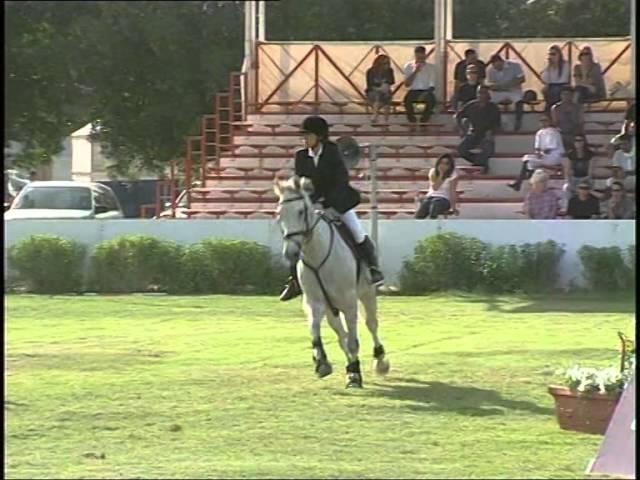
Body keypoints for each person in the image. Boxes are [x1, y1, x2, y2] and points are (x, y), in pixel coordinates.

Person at [279, 116, 384, 301]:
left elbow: (340, 182)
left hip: (338, 202)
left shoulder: (334, 152)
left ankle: (373, 269)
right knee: (295, 235)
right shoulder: (301, 156)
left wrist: (328, 204)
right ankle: (294, 281)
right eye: (303, 136)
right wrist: (311, 202)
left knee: (356, 231)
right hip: (312, 204)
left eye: (307, 135)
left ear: (319, 136)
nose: (304, 139)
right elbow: (301, 183)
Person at [508, 115, 564, 191]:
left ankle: (520, 182)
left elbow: (550, 148)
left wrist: (541, 154)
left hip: (553, 157)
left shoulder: (553, 132)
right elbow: (537, 147)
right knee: (527, 159)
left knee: (529, 162)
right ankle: (525, 183)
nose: (543, 123)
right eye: (541, 121)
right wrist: (538, 153)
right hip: (544, 156)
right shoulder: (539, 132)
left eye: (545, 121)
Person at [455, 85, 501, 174]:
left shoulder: (493, 108)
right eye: (479, 93)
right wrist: (461, 128)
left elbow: (497, 124)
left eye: (483, 93)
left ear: (488, 95)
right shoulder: (471, 105)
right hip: (473, 133)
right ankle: (479, 163)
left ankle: (479, 166)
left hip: (486, 135)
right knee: (461, 149)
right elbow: (458, 116)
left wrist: (491, 132)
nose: (481, 95)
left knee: (488, 150)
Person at [485, 54, 526, 131]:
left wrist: (509, 85)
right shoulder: (490, 70)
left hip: (513, 90)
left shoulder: (515, 65)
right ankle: (494, 122)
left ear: (502, 62)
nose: (497, 68)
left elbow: (522, 79)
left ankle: (518, 121)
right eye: (495, 67)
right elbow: (490, 84)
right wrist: (496, 87)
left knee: (518, 99)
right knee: (489, 100)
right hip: (499, 91)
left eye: (499, 66)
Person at [414, 154, 459, 219]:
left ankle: (433, 225)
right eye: (441, 163)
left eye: (446, 164)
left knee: (435, 205)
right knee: (422, 210)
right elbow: (435, 188)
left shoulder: (453, 174)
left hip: (444, 199)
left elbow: (452, 191)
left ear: (450, 166)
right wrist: (441, 175)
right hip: (430, 197)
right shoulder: (433, 172)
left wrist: (453, 207)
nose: (443, 166)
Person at [403, 46, 436, 130]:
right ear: (415, 55)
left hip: (426, 90)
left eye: (422, 55)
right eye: (418, 55)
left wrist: (425, 93)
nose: (421, 58)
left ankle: (424, 121)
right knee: (407, 101)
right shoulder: (408, 66)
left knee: (431, 100)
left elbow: (432, 84)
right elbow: (407, 84)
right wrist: (415, 71)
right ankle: (412, 121)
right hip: (413, 90)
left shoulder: (431, 67)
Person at [562, 134, 594, 209]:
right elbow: (568, 170)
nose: (578, 143)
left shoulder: (590, 154)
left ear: (584, 142)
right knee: (566, 187)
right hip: (574, 179)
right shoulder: (570, 154)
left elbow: (590, 173)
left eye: (580, 140)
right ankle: (567, 208)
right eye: (576, 141)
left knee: (588, 186)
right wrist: (568, 181)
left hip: (585, 179)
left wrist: (583, 180)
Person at [551, 86, 584, 151]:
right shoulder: (556, 108)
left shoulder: (578, 107)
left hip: (574, 134)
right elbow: (555, 122)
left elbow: (580, 122)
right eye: (564, 94)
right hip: (561, 134)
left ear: (572, 95)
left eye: (568, 94)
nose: (566, 96)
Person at [365, 54, 395, 124]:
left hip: (385, 90)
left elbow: (391, 82)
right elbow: (370, 86)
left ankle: (382, 119)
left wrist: (385, 86)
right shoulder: (370, 71)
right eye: (384, 63)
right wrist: (379, 89)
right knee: (378, 95)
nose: (387, 65)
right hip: (373, 91)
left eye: (388, 63)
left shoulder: (390, 70)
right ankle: (379, 117)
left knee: (386, 95)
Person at [541, 44, 570, 113]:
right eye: (550, 54)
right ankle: (551, 110)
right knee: (546, 90)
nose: (551, 56)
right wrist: (549, 67)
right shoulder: (549, 66)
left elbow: (563, 79)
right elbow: (545, 79)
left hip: (562, 85)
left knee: (555, 91)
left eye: (554, 54)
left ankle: (551, 110)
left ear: (559, 54)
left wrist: (556, 66)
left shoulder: (565, 64)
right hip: (551, 86)